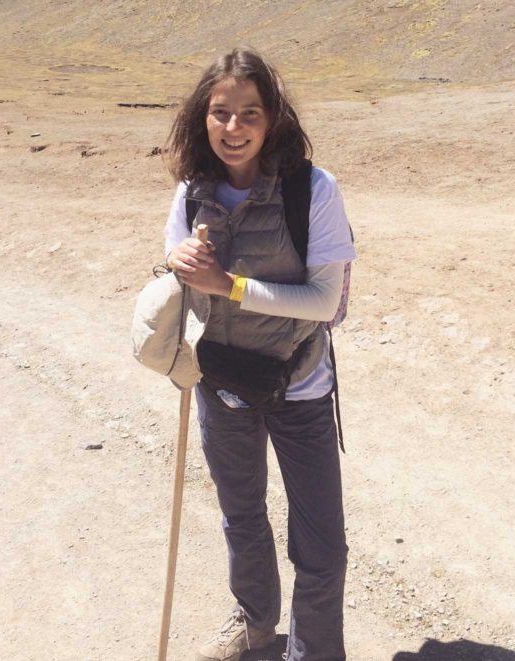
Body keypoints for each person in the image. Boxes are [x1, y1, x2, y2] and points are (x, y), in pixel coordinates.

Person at [163, 47, 355, 661]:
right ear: (204, 119)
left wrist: (231, 286)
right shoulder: (192, 192)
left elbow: (325, 301)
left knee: (320, 542)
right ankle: (255, 630)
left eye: (250, 113)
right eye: (221, 113)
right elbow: (177, 269)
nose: (234, 127)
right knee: (241, 517)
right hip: (221, 385)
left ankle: (316, 652)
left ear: (272, 119)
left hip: (298, 385)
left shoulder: (312, 190)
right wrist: (177, 264)